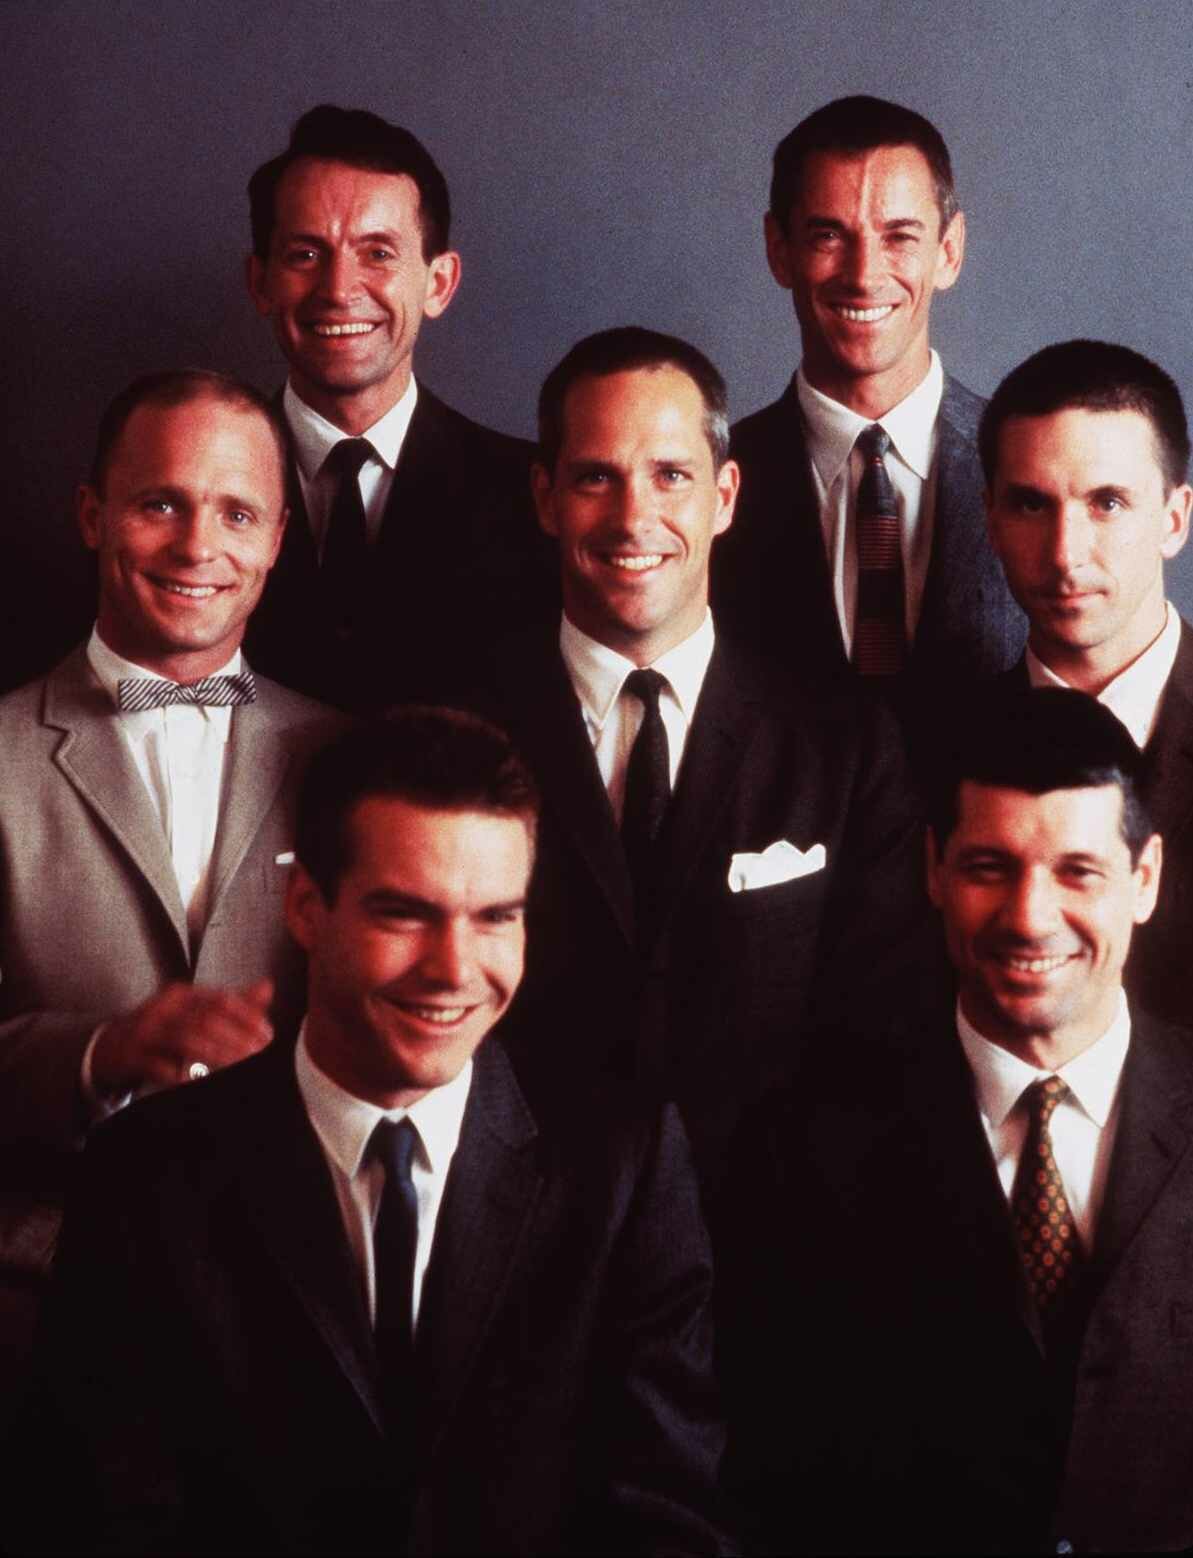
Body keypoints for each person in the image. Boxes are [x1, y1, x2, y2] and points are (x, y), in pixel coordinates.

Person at [25, 710, 732, 1557]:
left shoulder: (624, 1167)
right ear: (305, 909)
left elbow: (664, 1518)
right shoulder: (144, 1178)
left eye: (494, 917)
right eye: (404, 915)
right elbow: (103, 1522)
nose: (453, 971)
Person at [724, 688, 1193, 1554]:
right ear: (932, 870)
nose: (1028, 917)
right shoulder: (799, 1152)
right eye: (988, 867)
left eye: (1076, 872)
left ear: (1145, 880)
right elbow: (767, 1485)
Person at [472, 325, 932, 1198]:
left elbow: (878, 1042)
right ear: (544, 497)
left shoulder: (845, 745)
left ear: (724, 496)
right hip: (515, 1237)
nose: (632, 518)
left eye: (670, 477)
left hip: (774, 1243)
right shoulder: (459, 731)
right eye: (595, 477)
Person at [0, 370, 338, 1414]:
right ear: (92, 515)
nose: (199, 547)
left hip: (301, 1318)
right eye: (160, 504)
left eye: (236, 513)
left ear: (277, 537)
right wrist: (100, 1050)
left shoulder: (347, 758)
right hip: (45, 1307)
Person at [714, 95, 1024, 710]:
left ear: (949, 250)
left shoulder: (1031, 467)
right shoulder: (708, 487)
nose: (863, 275)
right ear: (778, 249)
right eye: (829, 236)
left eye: (899, 236)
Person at [243, 103, 555, 710]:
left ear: (439, 283)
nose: (339, 290)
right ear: (260, 283)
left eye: (378, 253)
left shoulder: (531, 498)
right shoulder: (196, 490)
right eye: (305, 254)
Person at [981, 339, 1193, 1027]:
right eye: (1030, 505)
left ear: (1174, 519)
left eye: (1106, 503)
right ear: (990, 520)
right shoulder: (928, 751)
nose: (1064, 555)